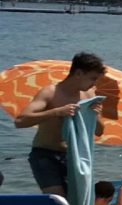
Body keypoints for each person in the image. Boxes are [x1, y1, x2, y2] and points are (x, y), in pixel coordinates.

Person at [15, 52, 106, 196]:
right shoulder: (50, 92)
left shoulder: (89, 95)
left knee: (75, 202)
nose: (94, 83)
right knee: (58, 201)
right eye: (92, 78)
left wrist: (95, 116)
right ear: (78, 73)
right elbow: (20, 121)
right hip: (45, 154)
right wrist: (56, 112)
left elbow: (99, 131)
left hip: (73, 156)